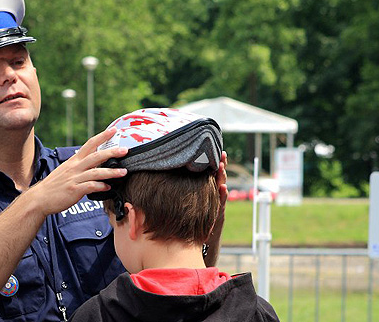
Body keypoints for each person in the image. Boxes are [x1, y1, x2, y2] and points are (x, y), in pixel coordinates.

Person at [0, 0, 228, 322]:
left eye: (18, 61)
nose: (9, 76)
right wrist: (36, 202)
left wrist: (207, 221)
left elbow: (175, 280)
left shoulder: (98, 167)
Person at [70, 108, 279, 322]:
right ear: (214, 217)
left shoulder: (98, 315)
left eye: (112, 223)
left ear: (132, 219)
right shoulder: (258, 313)